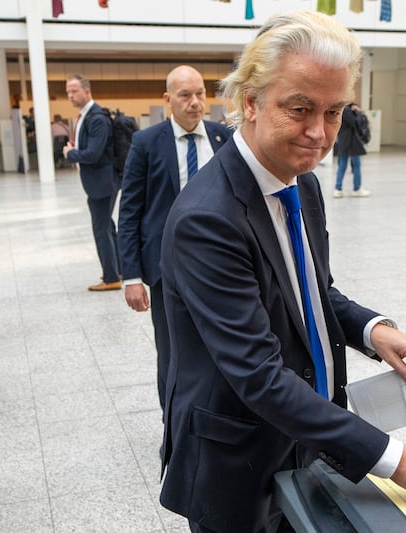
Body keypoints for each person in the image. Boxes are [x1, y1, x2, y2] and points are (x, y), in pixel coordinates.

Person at [158, 11, 406, 532]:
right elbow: (257, 374)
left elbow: (309, 291)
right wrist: (396, 459)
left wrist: (372, 329)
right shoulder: (207, 218)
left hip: (306, 441)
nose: (319, 133)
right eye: (299, 108)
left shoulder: (302, 183)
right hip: (239, 457)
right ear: (250, 102)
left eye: (335, 111)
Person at [117, 65, 231, 412]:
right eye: (185, 95)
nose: (195, 102)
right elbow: (130, 212)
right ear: (168, 99)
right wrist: (132, 276)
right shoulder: (146, 143)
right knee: (172, 352)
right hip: (167, 268)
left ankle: (218, 414)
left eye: (200, 93)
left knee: (222, 345)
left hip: (220, 265)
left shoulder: (223, 138)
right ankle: (174, 426)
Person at [63, 74, 122, 291]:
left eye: (74, 91)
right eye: (68, 91)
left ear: (87, 91)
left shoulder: (96, 117)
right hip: (100, 180)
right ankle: (119, 269)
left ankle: (111, 278)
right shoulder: (86, 117)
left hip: (103, 182)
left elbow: (93, 154)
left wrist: (71, 153)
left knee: (101, 228)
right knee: (108, 225)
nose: (70, 95)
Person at [333, 103, 370, 198]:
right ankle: (357, 189)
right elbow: (355, 122)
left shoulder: (339, 110)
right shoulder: (348, 111)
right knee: (357, 165)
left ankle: (338, 189)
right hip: (352, 142)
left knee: (342, 166)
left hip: (343, 141)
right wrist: (358, 112)